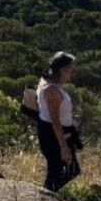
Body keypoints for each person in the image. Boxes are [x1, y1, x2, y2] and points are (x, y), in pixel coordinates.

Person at [36, 51, 81, 192]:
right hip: (53, 135)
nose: (72, 73)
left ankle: (48, 195)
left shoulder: (49, 83)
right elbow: (55, 121)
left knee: (62, 170)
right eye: (71, 69)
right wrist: (63, 146)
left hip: (56, 132)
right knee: (63, 170)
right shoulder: (52, 90)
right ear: (62, 70)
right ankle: (45, 197)